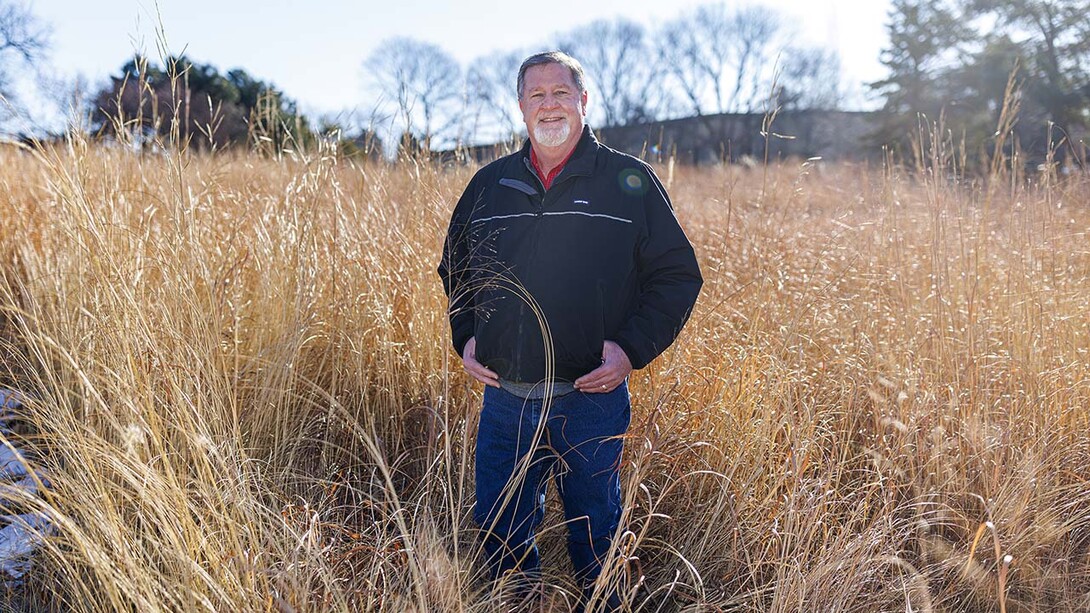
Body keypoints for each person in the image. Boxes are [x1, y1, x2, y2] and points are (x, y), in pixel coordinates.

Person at [438, 51, 702, 610]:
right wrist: (465, 334)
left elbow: (677, 275)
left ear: (583, 101)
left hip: (590, 400)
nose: (549, 105)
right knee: (500, 534)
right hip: (506, 402)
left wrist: (631, 349)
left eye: (561, 93)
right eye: (537, 95)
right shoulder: (490, 185)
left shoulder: (627, 182)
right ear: (520, 106)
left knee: (596, 536)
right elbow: (456, 268)